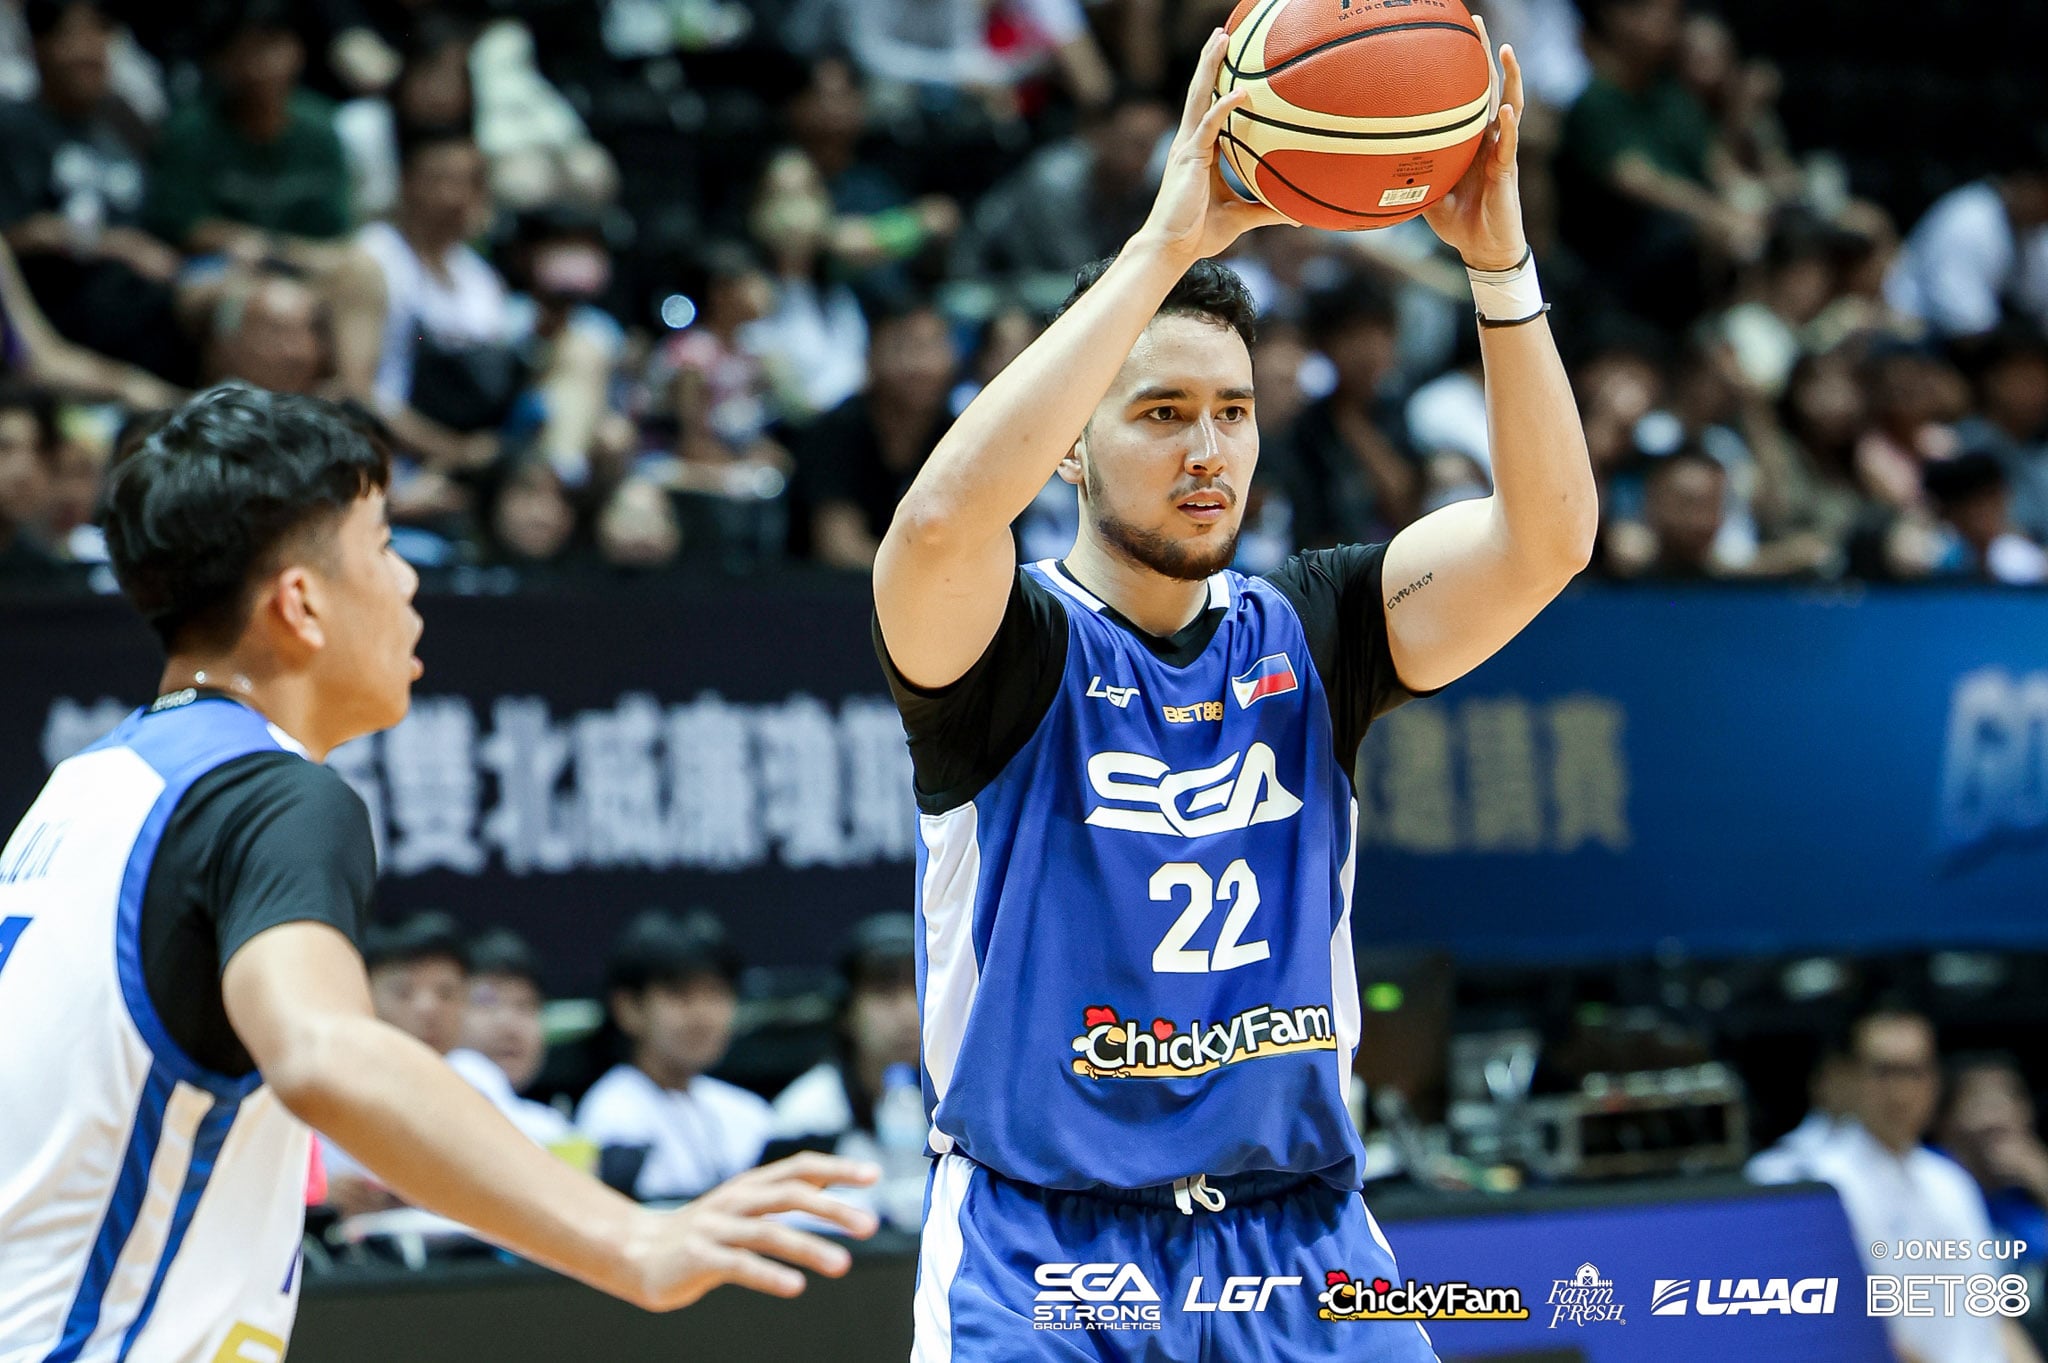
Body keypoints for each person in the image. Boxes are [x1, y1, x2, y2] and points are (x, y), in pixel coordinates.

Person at [872, 31, 1594, 1361]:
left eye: (1234, 411)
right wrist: (1164, 242)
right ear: (1070, 444)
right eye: (1160, 414)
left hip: (1300, 1236)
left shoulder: (1312, 627)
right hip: (1050, 1250)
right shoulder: (1006, 646)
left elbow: (1547, 541)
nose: (1207, 451)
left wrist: (1500, 269)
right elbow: (930, 528)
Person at [0, 384, 877, 1362]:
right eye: (381, 546)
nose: (409, 580)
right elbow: (324, 1051)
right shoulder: (267, 791)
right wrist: (633, 1238)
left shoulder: (84, 790)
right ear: (301, 602)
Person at [1809, 1006, 2044, 1363]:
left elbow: (1993, 1313)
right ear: (1851, 1077)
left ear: (1934, 1080)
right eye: (1885, 1072)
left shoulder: (1950, 1181)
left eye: (1914, 1072)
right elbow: (1857, 1327)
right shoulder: (1824, 1184)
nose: (1900, 1091)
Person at [578, 911, 776, 1203]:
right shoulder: (613, 1114)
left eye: (715, 994)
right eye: (680, 995)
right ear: (629, 1008)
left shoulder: (748, 1113)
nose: (702, 1016)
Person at [799, 298, 957, 569]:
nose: (923, 365)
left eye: (934, 346)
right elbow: (839, 547)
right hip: (828, 589)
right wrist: (923, 578)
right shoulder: (837, 430)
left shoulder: (955, 434)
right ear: (871, 355)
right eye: (905, 347)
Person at [1747, 1039, 1855, 1184]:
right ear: (1816, 1085)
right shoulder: (1798, 1143)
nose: (1842, 1088)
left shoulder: (1876, 1136)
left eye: (1849, 1079)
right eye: (1835, 1080)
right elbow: (1762, 1169)